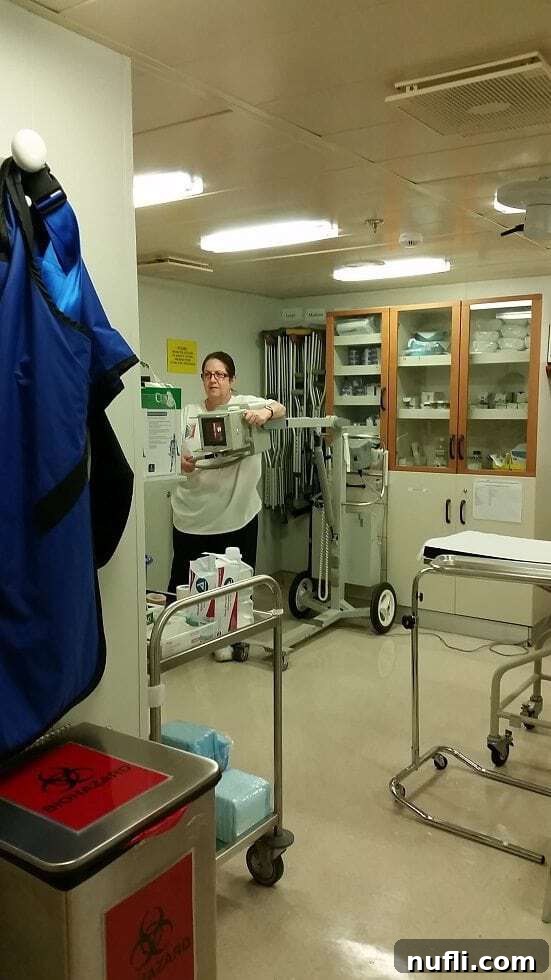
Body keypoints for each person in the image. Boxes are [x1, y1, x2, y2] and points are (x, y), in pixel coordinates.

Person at [168, 351, 285, 657]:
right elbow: (166, 453)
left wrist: (266, 414)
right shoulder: (187, 414)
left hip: (236, 515)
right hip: (191, 517)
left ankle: (232, 639)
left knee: (235, 585)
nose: (213, 380)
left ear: (232, 380)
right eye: (207, 374)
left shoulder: (245, 405)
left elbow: (280, 407)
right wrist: (179, 463)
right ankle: (178, 639)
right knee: (184, 582)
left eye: (220, 374)